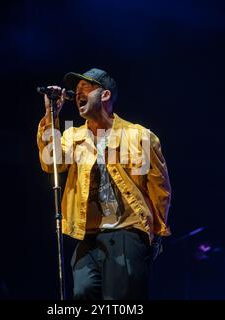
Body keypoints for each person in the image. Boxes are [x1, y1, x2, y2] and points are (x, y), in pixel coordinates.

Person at [37, 68, 172, 299]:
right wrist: (51, 116)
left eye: (85, 89)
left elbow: (159, 189)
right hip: (88, 236)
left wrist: (156, 233)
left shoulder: (139, 136)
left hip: (127, 232)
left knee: (119, 299)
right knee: (83, 292)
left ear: (106, 95)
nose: (77, 93)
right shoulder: (72, 137)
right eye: (76, 91)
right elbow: (51, 164)